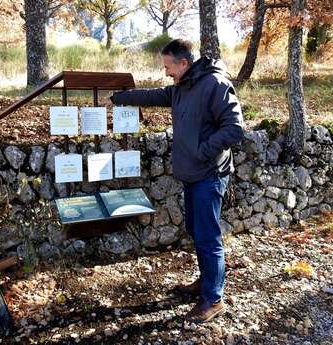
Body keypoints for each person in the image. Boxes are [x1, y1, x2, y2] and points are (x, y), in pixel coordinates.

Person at [109, 39, 244, 324]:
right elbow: (156, 95)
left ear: (184, 63)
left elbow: (234, 128)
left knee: (208, 237)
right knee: (197, 230)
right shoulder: (184, 86)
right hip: (192, 174)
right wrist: (119, 98)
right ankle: (206, 281)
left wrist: (202, 151)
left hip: (209, 174)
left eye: (169, 66)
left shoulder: (215, 85)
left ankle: (213, 299)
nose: (166, 72)